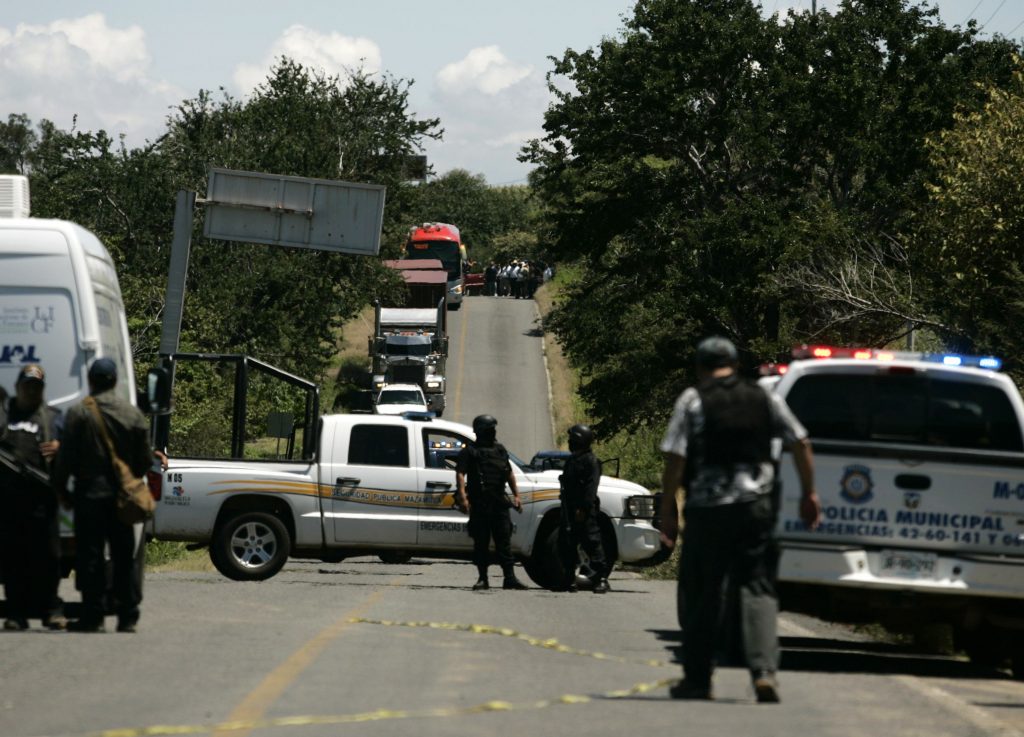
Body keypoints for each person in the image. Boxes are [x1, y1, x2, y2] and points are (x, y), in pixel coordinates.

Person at [657, 336, 821, 703]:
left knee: (704, 591)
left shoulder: (693, 399)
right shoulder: (764, 396)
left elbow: (676, 458)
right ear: (734, 363)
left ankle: (699, 679)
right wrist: (810, 493)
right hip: (755, 508)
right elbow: (801, 441)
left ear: (701, 367)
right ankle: (763, 672)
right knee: (758, 586)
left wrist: (668, 507)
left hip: (708, 510)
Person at [52, 358, 152, 633]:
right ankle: (127, 615)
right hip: (122, 497)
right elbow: (145, 459)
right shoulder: (132, 414)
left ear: (92, 381)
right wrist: (130, 480)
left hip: (89, 496)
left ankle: (93, 615)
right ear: (115, 381)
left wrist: (61, 488)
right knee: (122, 556)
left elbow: (65, 458)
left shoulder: (78, 414)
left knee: (91, 557)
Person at [0, 364, 65, 631]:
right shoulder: (4, 414)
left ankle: (52, 610)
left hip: (43, 501)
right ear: (17, 387)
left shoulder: (53, 418)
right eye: (27, 385)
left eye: (37, 386)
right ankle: (16, 613)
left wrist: (62, 448)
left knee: (49, 559)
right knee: (13, 559)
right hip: (9, 502)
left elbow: (77, 452)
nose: (31, 390)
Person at [454, 414, 527, 590]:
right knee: (481, 542)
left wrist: (517, 496)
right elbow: (460, 474)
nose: (493, 432)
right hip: (480, 504)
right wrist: (463, 496)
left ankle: (509, 578)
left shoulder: (500, 450)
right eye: (490, 429)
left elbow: (509, 473)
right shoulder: (470, 451)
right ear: (481, 432)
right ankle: (482, 578)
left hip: (499, 503)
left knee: (504, 542)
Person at [556, 424, 609, 593]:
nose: (570, 442)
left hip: (584, 510)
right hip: (568, 508)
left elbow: (590, 488)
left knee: (591, 542)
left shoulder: (591, 461)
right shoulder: (572, 460)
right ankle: (569, 578)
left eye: (573, 440)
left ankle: (601, 578)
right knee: (567, 543)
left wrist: (583, 508)